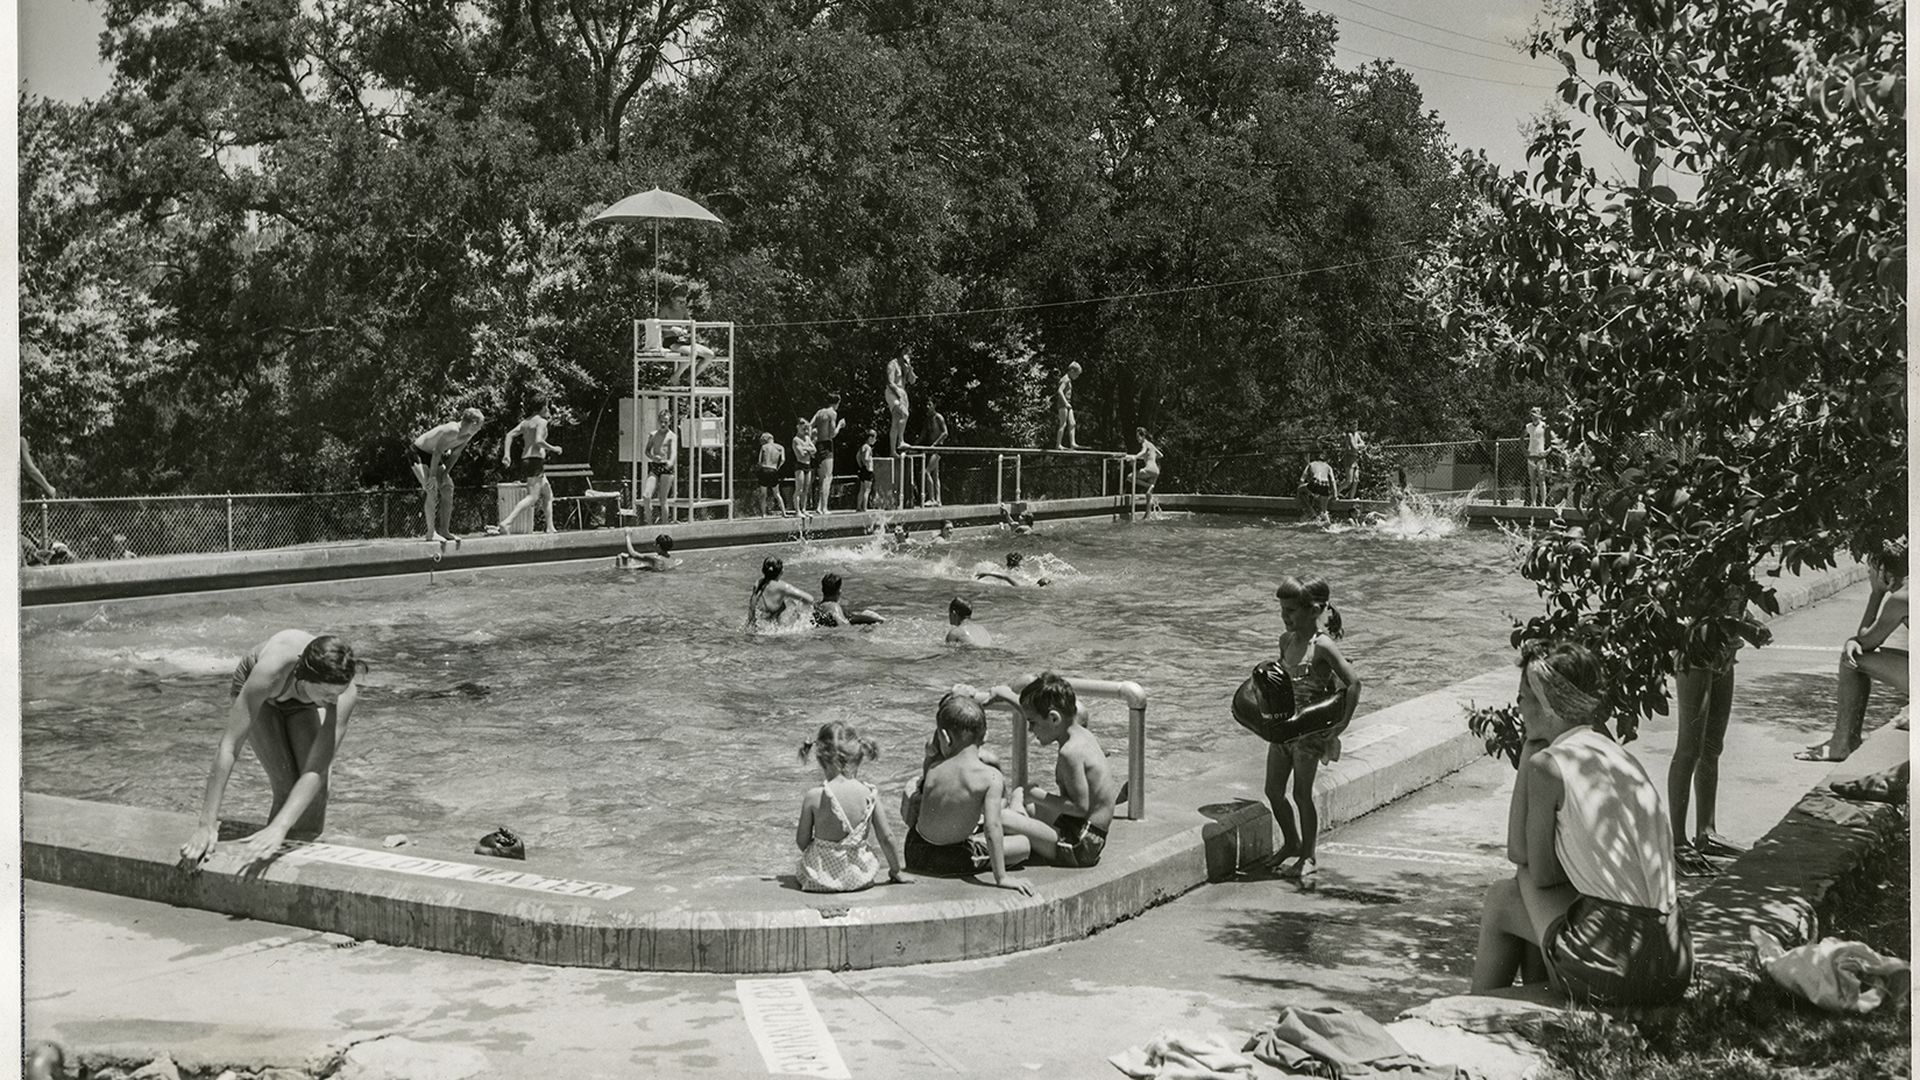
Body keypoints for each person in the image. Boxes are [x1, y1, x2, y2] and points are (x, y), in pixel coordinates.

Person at [1471, 639, 1693, 1007]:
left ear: (1549, 707)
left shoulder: (1548, 766)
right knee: (1542, 901)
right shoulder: (1617, 755)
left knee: (1504, 896)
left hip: (1619, 959)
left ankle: (1476, 1008)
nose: (1519, 705)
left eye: (1524, 696)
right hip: (1674, 957)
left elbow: (1529, 864)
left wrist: (1528, 753)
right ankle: (1516, 997)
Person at [178, 631, 366, 869]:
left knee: (318, 793)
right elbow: (229, 746)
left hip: (303, 701)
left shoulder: (342, 694)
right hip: (262, 689)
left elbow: (316, 768)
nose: (333, 700)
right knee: (286, 783)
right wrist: (206, 825)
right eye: (328, 693)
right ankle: (257, 863)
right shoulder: (271, 671)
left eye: (337, 693)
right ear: (306, 678)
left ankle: (293, 867)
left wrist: (281, 826)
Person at [1266, 576, 1362, 880]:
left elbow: (1354, 682)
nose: (1285, 616)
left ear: (1313, 610)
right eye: (1282, 610)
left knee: (1301, 794)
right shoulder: (1286, 640)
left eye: (1291, 611)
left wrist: (1342, 724)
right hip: (1284, 729)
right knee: (1273, 791)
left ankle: (1308, 855)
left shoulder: (1321, 646)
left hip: (1308, 735)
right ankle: (1291, 841)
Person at [900, 690, 1034, 893]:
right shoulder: (990, 777)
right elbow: (993, 828)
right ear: (986, 736)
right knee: (1023, 845)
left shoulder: (935, 767)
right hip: (951, 859)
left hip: (914, 851)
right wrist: (1002, 877)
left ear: (944, 737)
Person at [982, 674, 1118, 867]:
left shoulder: (1070, 753)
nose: (1030, 729)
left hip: (1080, 845)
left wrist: (1037, 795)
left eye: (1033, 723)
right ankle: (1020, 826)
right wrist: (1004, 694)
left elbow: (1081, 808)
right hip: (1084, 831)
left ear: (1054, 718)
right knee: (1025, 799)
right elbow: (1039, 711)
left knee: (1001, 817)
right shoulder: (1078, 731)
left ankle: (1016, 837)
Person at [1800, 538, 1909, 763]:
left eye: (1871, 571)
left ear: (1883, 572)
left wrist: (1876, 594)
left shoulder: (1901, 598)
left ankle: (1841, 743)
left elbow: (1866, 641)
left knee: (1851, 658)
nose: (1869, 577)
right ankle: (1848, 740)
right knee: (1855, 651)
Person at [1666, 591, 1749, 875]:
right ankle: (1677, 841)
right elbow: (1694, 606)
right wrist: (1745, 627)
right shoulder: (1707, 552)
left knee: (1713, 746)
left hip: (1724, 650)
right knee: (1690, 748)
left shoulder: (1738, 554)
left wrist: (1745, 623)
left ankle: (1706, 832)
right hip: (1696, 648)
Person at [794, 721, 904, 892]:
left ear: (820, 758)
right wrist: (895, 870)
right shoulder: (869, 793)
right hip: (859, 878)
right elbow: (886, 837)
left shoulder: (814, 796)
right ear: (859, 757)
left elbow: (802, 842)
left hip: (820, 879)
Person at [409, 408, 485, 544]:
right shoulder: (452, 430)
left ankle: (445, 530)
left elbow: (455, 454)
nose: (479, 429)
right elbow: (437, 451)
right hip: (419, 453)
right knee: (431, 489)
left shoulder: (468, 435)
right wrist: (432, 476)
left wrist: (445, 474)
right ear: (473, 423)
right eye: (479, 426)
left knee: (448, 487)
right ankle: (431, 533)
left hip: (433, 456)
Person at [499, 397, 562, 534]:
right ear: (543, 408)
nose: (548, 409)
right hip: (535, 460)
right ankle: (507, 522)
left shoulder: (526, 422)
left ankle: (550, 527)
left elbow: (509, 435)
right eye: (546, 407)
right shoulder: (542, 422)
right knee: (532, 497)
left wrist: (507, 454)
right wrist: (554, 448)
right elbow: (538, 440)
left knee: (548, 493)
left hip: (528, 460)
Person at [746, 556, 815, 630]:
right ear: (781, 571)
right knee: (792, 604)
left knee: (787, 601)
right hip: (774, 632)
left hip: (757, 628)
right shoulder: (783, 587)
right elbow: (810, 599)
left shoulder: (758, 583)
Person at [810, 392, 846, 515]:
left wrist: (814, 434)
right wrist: (840, 426)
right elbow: (832, 434)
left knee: (821, 479)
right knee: (827, 478)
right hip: (827, 445)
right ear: (837, 402)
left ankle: (819, 506)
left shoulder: (819, 412)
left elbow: (809, 426)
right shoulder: (832, 413)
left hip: (818, 445)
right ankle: (824, 508)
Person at [642, 410, 679, 526]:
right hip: (655, 465)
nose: (663, 425)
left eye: (666, 422)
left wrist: (670, 462)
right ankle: (650, 525)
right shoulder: (653, 435)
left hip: (666, 467)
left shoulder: (672, 436)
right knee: (646, 496)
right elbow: (647, 451)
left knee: (662, 499)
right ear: (658, 421)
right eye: (662, 422)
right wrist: (653, 457)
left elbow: (673, 453)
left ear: (670, 422)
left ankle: (664, 526)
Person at [885, 353, 915, 492]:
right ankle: (900, 441)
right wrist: (898, 393)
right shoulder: (892, 364)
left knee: (896, 421)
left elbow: (912, 381)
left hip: (902, 392)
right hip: (893, 392)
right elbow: (890, 382)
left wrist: (910, 370)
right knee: (904, 413)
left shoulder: (906, 366)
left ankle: (893, 450)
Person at [812, 572, 886, 627]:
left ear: (822, 589)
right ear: (839, 591)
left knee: (866, 614)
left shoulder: (818, 605)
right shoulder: (833, 606)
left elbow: (850, 618)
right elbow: (843, 625)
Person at [1128, 428, 1163, 515]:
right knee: (1148, 494)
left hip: (1149, 469)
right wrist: (1151, 456)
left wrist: (1135, 457)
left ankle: (1149, 485)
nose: (1137, 439)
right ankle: (1148, 515)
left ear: (1143, 436)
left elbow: (1143, 451)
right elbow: (1161, 455)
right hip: (1156, 470)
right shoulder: (1151, 445)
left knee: (1130, 477)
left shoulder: (1145, 444)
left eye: (1138, 437)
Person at [1296, 451, 1338, 522]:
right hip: (1325, 485)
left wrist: (1299, 492)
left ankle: (1312, 512)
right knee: (1324, 511)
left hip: (1315, 483)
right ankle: (1329, 525)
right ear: (1326, 460)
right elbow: (1333, 481)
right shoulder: (1328, 467)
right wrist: (1335, 495)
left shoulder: (1311, 464)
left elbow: (1302, 479)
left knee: (1300, 490)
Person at [755, 432, 788, 517]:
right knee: (777, 493)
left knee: (763, 494)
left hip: (764, 469)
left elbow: (759, 461)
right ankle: (784, 513)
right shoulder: (780, 447)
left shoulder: (764, 447)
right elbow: (783, 459)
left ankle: (764, 514)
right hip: (773, 469)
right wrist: (777, 467)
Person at [976, 551, 1050, 587]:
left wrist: (987, 573)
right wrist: (986, 573)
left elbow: (1005, 577)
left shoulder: (1025, 583)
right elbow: (1005, 577)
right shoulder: (1023, 586)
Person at [1525, 407, 1552, 506]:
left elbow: (1551, 442)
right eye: (1532, 415)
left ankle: (1543, 503)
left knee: (1542, 480)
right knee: (1532, 480)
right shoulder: (1528, 427)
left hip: (1541, 457)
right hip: (1531, 456)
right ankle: (1533, 502)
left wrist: (1547, 451)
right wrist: (1525, 451)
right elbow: (1521, 439)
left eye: (1535, 415)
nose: (1533, 417)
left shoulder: (1544, 426)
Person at [1054, 362, 1083, 450]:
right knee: (1063, 424)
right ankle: (1058, 444)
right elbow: (1059, 391)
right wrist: (1065, 402)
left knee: (1073, 423)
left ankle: (1073, 443)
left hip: (1068, 404)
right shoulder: (1065, 379)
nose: (1077, 377)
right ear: (1071, 371)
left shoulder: (1069, 380)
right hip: (1063, 404)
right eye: (1076, 374)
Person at [924, 404, 949, 506]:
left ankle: (932, 499)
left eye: (929, 405)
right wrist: (913, 446)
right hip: (931, 449)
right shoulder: (928, 420)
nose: (927, 407)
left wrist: (935, 444)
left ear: (934, 406)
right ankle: (938, 500)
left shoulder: (938, 417)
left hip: (937, 448)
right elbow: (923, 435)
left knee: (926, 472)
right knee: (935, 475)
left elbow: (945, 433)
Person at [791, 418, 816, 517]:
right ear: (797, 426)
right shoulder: (795, 439)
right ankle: (797, 511)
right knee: (799, 489)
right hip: (800, 465)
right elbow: (800, 454)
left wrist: (805, 448)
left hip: (808, 465)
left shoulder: (807, 438)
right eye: (802, 425)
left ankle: (804, 509)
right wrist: (809, 450)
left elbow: (815, 450)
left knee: (806, 489)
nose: (804, 429)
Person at [854, 429, 878, 512]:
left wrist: (861, 465)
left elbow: (857, 456)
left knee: (861, 490)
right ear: (870, 438)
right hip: (868, 470)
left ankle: (858, 507)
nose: (875, 440)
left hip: (863, 469)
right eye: (874, 438)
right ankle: (865, 508)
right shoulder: (868, 447)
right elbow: (866, 457)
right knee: (867, 490)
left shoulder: (862, 447)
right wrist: (868, 464)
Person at [1344, 426, 1365, 498]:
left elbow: (1363, 444)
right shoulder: (1349, 435)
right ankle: (1334, 495)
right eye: (1353, 424)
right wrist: (1358, 446)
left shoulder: (1357, 434)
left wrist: (1357, 446)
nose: (1355, 426)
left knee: (1356, 480)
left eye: (1356, 424)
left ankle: (1351, 498)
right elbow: (1354, 447)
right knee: (1348, 481)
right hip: (1349, 458)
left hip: (1355, 459)